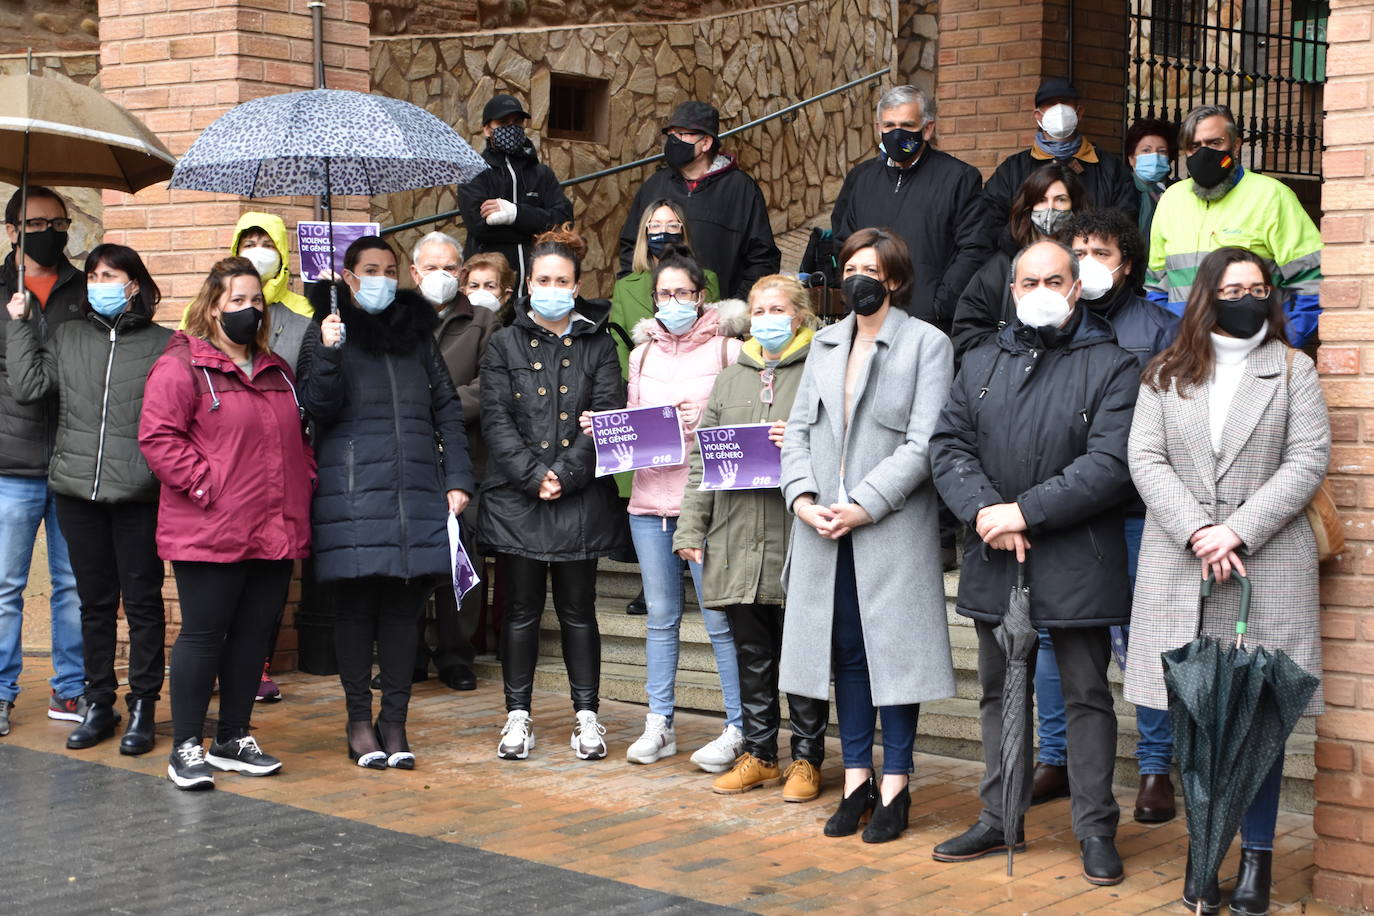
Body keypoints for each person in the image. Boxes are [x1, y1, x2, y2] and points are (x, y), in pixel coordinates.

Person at [1126, 246, 1330, 916]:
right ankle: (1202, 852)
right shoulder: (1164, 373)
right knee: (1198, 722)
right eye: (1231, 286)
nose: (1245, 296)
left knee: (1258, 719)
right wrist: (1197, 530)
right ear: (1206, 296)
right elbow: (1145, 459)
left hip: (1263, 565)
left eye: (1256, 286)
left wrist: (1236, 529)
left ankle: (1257, 858)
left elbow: (1307, 460)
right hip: (1183, 565)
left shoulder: (1293, 370)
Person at [929, 239, 1139, 885]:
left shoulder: (1114, 365)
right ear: (1012, 289)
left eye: (1054, 279)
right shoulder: (982, 359)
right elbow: (949, 444)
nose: (1041, 290)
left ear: (1077, 287)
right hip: (997, 553)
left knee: (1085, 694)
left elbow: (1109, 464)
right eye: (1028, 281)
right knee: (999, 692)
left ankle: (1096, 827)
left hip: (1078, 556)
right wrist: (987, 511)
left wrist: (1027, 511)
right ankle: (1000, 816)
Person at [778, 229, 956, 843]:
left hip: (890, 526)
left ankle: (898, 784)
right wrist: (803, 499)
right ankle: (856, 779)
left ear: (896, 280)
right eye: (851, 267)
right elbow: (797, 432)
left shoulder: (927, 344)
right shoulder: (824, 344)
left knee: (893, 656)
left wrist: (863, 504)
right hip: (824, 530)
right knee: (847, 655)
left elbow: (925, 442)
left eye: (872, 269)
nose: (860, 278)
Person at [138, 257, 315, 790]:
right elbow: (158, 438)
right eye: (237, 300)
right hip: (209, 527)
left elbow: (298, 440)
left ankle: (232, 737)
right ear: (212, 306)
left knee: (253, 636)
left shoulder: (276, 369)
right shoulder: (182, 367)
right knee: (203, 635)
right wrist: (205, 485)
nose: (248, 309)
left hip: (274, 525)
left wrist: (303, 480)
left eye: (256, 300)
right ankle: (186, 745)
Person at [299, 235, 473, 771]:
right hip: (352, 491)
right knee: (355, 611)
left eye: (389, 269)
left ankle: (394, 721)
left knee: (404, 611)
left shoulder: (415, 331)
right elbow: (315, 405)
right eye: (369, 269)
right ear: (348, 277)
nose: (380, 278)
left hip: (417, 489)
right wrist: (328, 351)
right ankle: (358, 721)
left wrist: (458, 476)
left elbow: (446, 403)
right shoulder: (326, 329)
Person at [1029, 210, 1181, 821]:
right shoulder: (1050, 325)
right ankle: (1056, 758)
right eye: (1078, 250)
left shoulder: (1163, 328)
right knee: (1052, 635)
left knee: (1149, 640)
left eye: (1101, 250)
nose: (1088, 261)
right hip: (1066, 507)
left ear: (1128, 261)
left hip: (1140, 509)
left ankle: (1154, 769)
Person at [578, 249, 744, 772]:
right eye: (664, 294)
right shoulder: (642, 355)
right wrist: (606, 430)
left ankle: (738, 725)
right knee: (660, 619)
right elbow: (634, 423)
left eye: (684, 293)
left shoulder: (729, 351)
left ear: (702, 297)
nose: (674, 302)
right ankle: (660, 723)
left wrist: (706, 418)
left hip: (707, 504)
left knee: (720, 621)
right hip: (650, 502)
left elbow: (743, 430)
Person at [5, 244, 171, 755]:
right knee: (93, 603)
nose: (99, 283)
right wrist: (18, 325)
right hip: (77, 490)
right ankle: (99, 701)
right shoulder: (68, 335)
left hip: (137, 493)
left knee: (142, 603)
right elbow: (31, 388)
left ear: (134, 285)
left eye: (111, 275)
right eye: (94, 274)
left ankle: (144, 703)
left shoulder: (167, 344)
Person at [674, 274, 830, 803]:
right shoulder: (731, 377)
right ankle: (761, 755)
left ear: (801, 314)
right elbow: (701, 460)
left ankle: (807, 758)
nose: (766, 319)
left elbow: (845, 445)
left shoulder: (821, 369)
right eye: (758, 310)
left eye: (777, 309)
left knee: (803, 654)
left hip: (797, 538)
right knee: (753, 653)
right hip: (737, 537)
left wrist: (804, 441)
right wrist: (691, 527)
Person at [478, 226, 629, 762]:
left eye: (561, 280)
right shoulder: (502, 343)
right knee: (518, 610)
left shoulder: (600, 343)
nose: (552, 287)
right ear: (528, 285)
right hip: (519, 499)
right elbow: (496, 419)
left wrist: (565, 473)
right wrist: (532, 474)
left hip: (580, 499)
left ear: (578, 284)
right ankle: (517, 715)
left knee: (578, 611)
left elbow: (608, 414)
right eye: (543, 279)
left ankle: (587, 715)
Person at [0, 186, 86, 735]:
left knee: (74, 584)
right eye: (37, 223)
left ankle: (72, 689)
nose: (50, 232)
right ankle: (2, 692)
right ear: (12, 231)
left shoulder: (87, 286)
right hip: (10, 462)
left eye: (59, 222)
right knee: (5, 587)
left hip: (72, 459)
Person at [1145, 104, 1323, 349]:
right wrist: (1169, 342)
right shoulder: (1171, 200)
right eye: (1194, 146)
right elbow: (1156, 285)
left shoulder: (1271, 196)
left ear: (1236, 145)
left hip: (1255, 352)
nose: (1204, 153)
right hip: (1188, 356)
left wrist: (1284, 343)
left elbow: (1314, 280)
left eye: (1215, 142)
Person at [411, 230, 499, 691]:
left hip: (467, 459)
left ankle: (456, 655)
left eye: (449, 268)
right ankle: (407, 654)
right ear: (414, 273)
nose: (440, 276)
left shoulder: (484, 322)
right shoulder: (397, 320)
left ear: (462, 274)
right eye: (431, 268)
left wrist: (430, 402)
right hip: (411, 459)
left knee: (463, 559)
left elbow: (490, 387)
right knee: (406, 560)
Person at [829, 85, 990, 331]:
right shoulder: (860, 179)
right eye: (889, 126)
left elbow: (975, 248)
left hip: (928, 324)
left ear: (927, 129)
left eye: (907, 126)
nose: (897, 134)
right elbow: (844, 242)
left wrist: (939, 305)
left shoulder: (959, 178)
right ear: (878, 128)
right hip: (867, 320)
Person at [618, 100, 780, 300]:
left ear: (706, 142)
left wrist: (734, 310)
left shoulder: (741, 189)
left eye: (683, 134)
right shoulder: (654, 186)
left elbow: (763, 259)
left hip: (719, 319)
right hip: (658, 315)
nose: (674, 141)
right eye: (671, 135)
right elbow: (630, 248)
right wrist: (637, 298)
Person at [950, 163, 1090, 359]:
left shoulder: (1088, 267)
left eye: (1060, 200)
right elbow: (967, 337)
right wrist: (1016, 345)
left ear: (1074, 207)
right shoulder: (999, 268)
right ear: (1029, 206)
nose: (1050, 208)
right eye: (1041, 200)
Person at [983, 78, 1136, 237]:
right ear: (1038, 115)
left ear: (1079, 112)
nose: (1059, 109)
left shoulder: (1110, 168)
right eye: (1050, 104)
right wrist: (1024, 247)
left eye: (1065, 102)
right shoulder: (1012, 169)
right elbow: (990, 220)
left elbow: (1125, 221)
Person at [458, 93, 574, 292]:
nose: (511, 129)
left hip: (537, 286)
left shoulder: (542, 174)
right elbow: (480, 226)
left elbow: (563, 220)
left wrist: (515, 214)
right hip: (489, 287)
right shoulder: (474, 173)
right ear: (487, 129)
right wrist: (534, 228)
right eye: (503, 122)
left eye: (517, 123)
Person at [609, 199, 722, 370]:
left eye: (672, 225)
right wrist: (633, 380)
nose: (663, 232)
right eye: (655, 225)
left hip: (696, 375)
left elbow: (712, 332)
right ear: (645, 233)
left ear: (682, 232)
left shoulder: (707, 279)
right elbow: (618, 343)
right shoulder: (624, 287)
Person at [1123, 118, 1177, 265]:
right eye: (1146, 150)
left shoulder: (1178, 193)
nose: (1154, 156)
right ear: (1132, 159)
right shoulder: (1122, 191)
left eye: (1162, 151)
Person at [461, 250, 516, 326]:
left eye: (490, 286)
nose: (481, 292)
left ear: (507, 294)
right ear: (464, 291)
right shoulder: (452, 326)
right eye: (474, 286)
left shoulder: (517, 330)